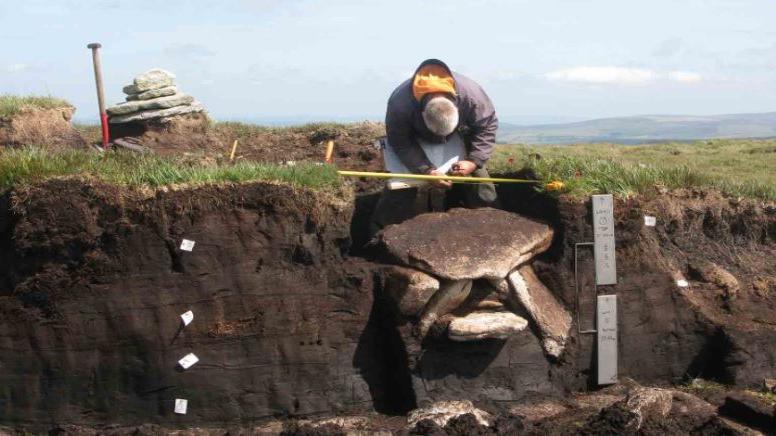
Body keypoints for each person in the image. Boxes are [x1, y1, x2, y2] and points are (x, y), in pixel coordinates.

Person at [370, 59, 499, 232]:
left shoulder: (471, 95)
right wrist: (427, 171)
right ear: (422, 114)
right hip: (413, 139)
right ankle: (377, 237)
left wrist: (473, 161)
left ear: (457, 109)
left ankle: (493, 227)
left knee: (481, 185)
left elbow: (487, 125)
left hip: (459, 136)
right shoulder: (400, 105)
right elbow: (401, 142)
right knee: (400, 188)